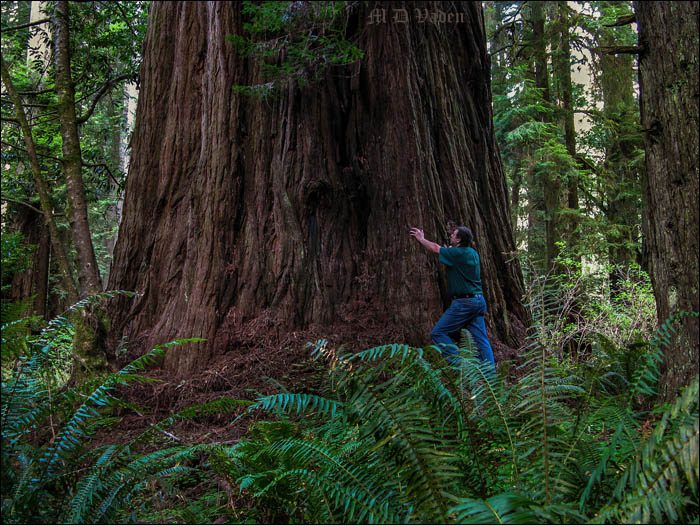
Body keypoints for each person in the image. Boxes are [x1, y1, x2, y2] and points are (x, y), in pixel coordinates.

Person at [409, 225, 495, 367]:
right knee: (481, 341)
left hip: (464, 303)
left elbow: (435, 248)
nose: (450, 236)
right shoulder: (472, 253)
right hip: (478, 301)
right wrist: (449, 251)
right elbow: (455, 256)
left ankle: (462, 367)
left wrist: (421, 239)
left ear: (459, 239)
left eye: (454, 235)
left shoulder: (457, 254)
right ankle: (489, 377)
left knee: (438, 333)